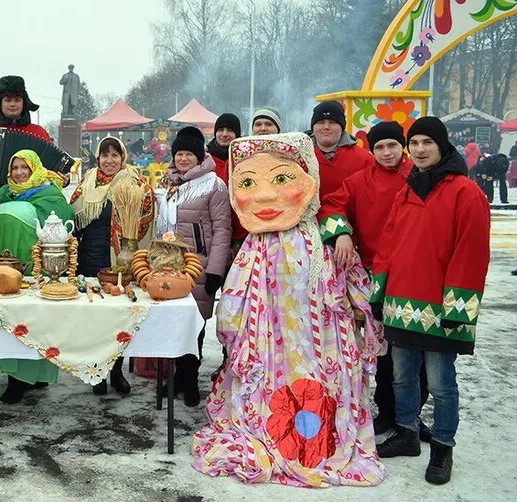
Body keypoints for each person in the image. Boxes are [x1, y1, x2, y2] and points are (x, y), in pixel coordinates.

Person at [191, 132, 384, 487]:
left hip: (315, 353)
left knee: (311, 399)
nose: (265, 194)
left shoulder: (318, 238)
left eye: (282, 179)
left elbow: (342, 288)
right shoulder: (256, 244)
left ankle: (311, 437)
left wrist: (354, 306)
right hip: (268, 354)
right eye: (248, 182)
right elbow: (234, 302)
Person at [372, 117, 491, 485]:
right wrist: (380, 292)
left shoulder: (465, 192)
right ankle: (407, 433)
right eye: (415, 142)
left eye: (427, 142)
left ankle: (442, 447)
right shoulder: (407, 190)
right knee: (402, 378)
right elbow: (389, 244)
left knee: (441, 385)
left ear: (442, 146)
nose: (420, 149)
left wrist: (458, 307)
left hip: (440, 309)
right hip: (402, 306)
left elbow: (471, 252)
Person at [317, 121, 431, 439]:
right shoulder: (359, 181)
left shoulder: (421, 178)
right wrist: (340, 232)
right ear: (372, 150)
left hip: (414, 273)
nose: (386, 152)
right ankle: (387, 411)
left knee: (413, 347)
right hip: (374, 276)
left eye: (392, 145)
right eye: (379, 147)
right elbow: (331, 206)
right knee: (382, 349)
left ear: (402, 146)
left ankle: (411, 414)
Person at [0, 149, 73, 404]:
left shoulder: (51, 195)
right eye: (15, 168)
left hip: (35, 266)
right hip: (4, 262)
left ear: (35, 169)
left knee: (33, 320)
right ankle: (16, 375)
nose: (19, 173)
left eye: (25, 168)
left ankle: (24, 379)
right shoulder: (4, 194)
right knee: (9, 319)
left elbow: (59, 226)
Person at [70, 135, 155, 396]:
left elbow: (148, 216)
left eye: (115, 155)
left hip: (119, 258)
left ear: (123, 158)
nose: (110, 160)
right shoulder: (87, 183)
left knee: (119, 317)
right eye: (104, 155)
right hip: (89, 256)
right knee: (94, 317)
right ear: (98, 159)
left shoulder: (136, 183)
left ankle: (116, 371)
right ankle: (96, 371)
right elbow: (72, 214)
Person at [154, 127, 231, 407]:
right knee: (172, 324)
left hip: (198, 265)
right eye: (179, 154)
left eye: (189, 154)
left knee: (195, 326)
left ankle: (189, 380)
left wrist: (215, 270)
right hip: (167, 265)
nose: (184, 159)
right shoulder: (168, 182)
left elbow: (222, 229)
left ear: (200, 157)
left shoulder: (213, 185)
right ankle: (173, 378)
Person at [0, 75, 51, 159]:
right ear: (0, 103)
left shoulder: (38, 133)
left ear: (23, 103)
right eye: (8, 100)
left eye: (17, 100)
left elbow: (51, 163)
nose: (12, 104)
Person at [310, 100, 375, 199]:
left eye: (332, 122)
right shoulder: (298, 156)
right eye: (321, 122)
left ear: (342, 127)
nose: (326, 127)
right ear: (313, 127)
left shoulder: (364, 159)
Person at [208, 113, 248, 248]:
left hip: (242, 227)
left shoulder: (246, 158)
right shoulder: (205, 160)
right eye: (220, 130)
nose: (224, 134)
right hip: (212, 227)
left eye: (230, 130)